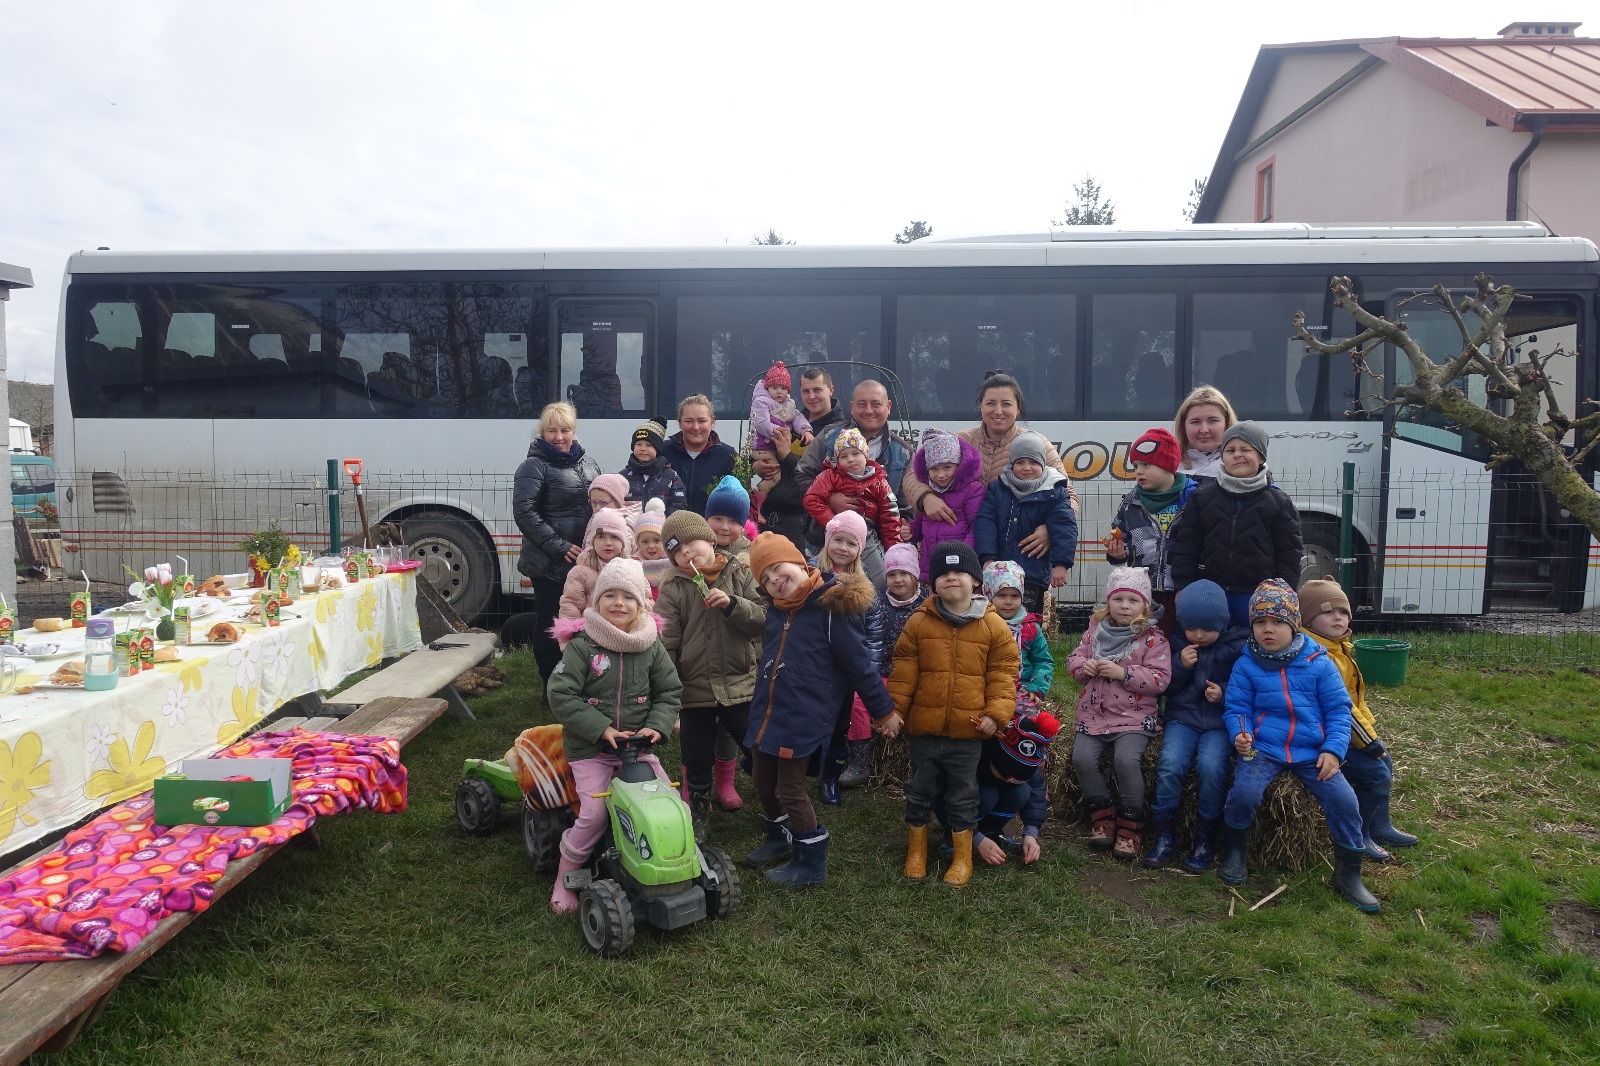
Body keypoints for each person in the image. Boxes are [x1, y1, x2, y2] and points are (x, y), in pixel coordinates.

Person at [1219, 579, 1380, 913]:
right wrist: (1241, 733)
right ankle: (1235, 851)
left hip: (1312, 751)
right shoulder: (1246, 664)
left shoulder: (1319, 662)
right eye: (1260, 622)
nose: (1268, 629)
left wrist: (1333, 750)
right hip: (1265, 748)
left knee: (1345, 800)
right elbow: (1237, 708)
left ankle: (1348, 873)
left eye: (1277, 622)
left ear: (1294, 624)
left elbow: (1339, 711)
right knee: (1244, 793)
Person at [744, 533, 895, 888]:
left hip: (803, 718)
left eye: (778, 568)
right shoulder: (776, 612)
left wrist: (883, 711)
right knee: (762, 781)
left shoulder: (831, 611)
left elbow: (859, 666)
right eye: (765, 578)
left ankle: (810, 860)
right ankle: (778, 836)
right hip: (767, 713)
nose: (775, 580)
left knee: (790, 789)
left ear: (800, 562)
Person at [546, 558, 682, 914]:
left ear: (641, 604)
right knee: (594, 814)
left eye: (628, 597)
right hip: (591, 749)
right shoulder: (583, 645)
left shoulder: (650, 645)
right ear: (597, 600)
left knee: (670, 804)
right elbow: (560, 693)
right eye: (610, 595)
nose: (618, 603)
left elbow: (669, 691)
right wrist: (600, 728)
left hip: (637, 749)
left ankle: (676, 862)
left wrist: (657, 725)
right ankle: (567, 873)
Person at [883, 541, 1020, 888]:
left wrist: (996, 714)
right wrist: (893, 711)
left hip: (967, 732)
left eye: (959, 571)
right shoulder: (919, 622)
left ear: (975, 581)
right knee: (919, 790)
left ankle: (962, 857)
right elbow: (903, 672)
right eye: (943, 573)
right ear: (932, 583)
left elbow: (1003, 674)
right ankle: (916, 850)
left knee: (963, 794)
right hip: (925, 730)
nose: (951, 577)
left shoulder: (993, 626)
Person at [656, 509, 766, 843]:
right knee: (696, 755)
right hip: (695, 688)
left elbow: (764, 618)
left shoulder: (739, 571)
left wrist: (733, 605)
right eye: (678, 551)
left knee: (757, 746)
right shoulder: (674, 587)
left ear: (709, 540)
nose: (687, 553)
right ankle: (699, 814)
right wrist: (671, 689)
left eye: (691, 543)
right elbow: (667, 641)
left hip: (740, 682)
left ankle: (776, 805)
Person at [900, 372, 1081, 571]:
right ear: (981, 406)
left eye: (1006, 404)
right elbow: (912, 475)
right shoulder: (960, 441)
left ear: (1018, 407)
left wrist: (1049, 529)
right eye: (990, 403)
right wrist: (926, 498)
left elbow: (1069, 496)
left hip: (1019, 562)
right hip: (961, 561)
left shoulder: (1036, 444)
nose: (998, 411)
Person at [1299, 576, 1418, 862]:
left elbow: (1356, 701)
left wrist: (1370, 732)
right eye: (1328, 612)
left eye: (1343, 611)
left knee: (1385, 762)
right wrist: (1368, 742)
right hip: (1325, 738)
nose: (1338, 617)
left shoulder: (1340, 648)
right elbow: (1341, 709)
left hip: (1344, 732)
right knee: (1375, 773)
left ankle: (1381, 825)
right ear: (1307, 619)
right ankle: (1360, 834)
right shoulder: (1318, 656)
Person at [1065, 567, 1172, 860]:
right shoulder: (1094, 632)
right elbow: (1074, 659)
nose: (1125, 606)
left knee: (1126, 761)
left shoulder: (1153, 639)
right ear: (1108, 602)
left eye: (1133, 600)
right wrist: (1083, 667)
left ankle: (1130, 824)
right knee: (1081, 759)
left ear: (1144, 606)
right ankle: (1102, 814)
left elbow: (1160, 679)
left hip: (1134, 719)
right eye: (1118, 599)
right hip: (1094, 716)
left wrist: (1124, 673)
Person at [1141, 579, 1246, 872]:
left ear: (1222, 623)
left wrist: (1223, 694)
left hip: (1219, 723)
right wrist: (1181, 665)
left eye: (1207, 629)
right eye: (1192, 628)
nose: (1198, 635)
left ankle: (1204, 840)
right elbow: (1165, 688)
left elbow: (1247, 688)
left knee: (1211, 768)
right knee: (1169, 765)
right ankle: (1164, 836)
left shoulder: (1238, 646)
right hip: (1182, 718)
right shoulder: (1175, 644)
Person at [1169, 421, 1303, 628]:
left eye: (1246, 449)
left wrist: (1285, 590)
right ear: (1222, 457)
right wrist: (1183, 585)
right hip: (1210, 593)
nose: (1237, 455)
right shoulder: (1202, 498)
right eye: (1230, 450)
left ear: (1261, 457)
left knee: (1252, 641)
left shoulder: (1278, 502)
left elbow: (1289, 552)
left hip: (1257, 594)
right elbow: (1186, 545)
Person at [513, 401, 602, 680]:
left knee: (583, 620)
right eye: (552, 431)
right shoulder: (533, 466)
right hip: (549, 563)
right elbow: (524, 512)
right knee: (551, 622)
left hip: (583, 559)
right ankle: (550, 685)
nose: (559, 437)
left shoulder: (589, 464)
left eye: (565, 430)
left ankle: (578, 681)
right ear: (542, 433)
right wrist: (558, 546)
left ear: (574, 431)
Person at [794, 380, 914, 583]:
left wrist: (901, 535)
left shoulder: (903, 452)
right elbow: (801, 475)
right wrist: (830, 500)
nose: (869, 410)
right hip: (824, 540)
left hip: (875, 545)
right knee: (822, 591)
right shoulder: (829, 436)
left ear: (888, 407)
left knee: (878, 591)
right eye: (861, 404)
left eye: (876, 404)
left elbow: (905, 507)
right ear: (851, 407)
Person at [814, 511, 885, 805]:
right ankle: (804, 769)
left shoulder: (865, 587)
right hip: (815, 667)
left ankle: (830, 776)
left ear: (860, 549)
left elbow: (874, 632)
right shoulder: (810, 576)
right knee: (811, 722)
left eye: (851, 543)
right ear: (827, 540)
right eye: (838, 540)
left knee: (839, 727)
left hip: (845, 673)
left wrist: (868, 669)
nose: (843, 548)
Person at [936, 710, 1060, 869]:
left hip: (982, 804)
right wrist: (975, 838)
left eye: (1016, 780)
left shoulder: (1027, 763)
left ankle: (991, 832)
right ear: (996, 758)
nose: (1008, 782)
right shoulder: (974, 757)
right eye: (1004, 775)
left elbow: (1037, 793)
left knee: (1021, 792)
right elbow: (947, 800)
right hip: (959, 812)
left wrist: (1031, 833)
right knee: (989, 795)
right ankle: (955, 837)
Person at [975, 432, 1078, 615]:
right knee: (995, 620)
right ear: (1011, 464)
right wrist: (988, 558)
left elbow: (1065, 528)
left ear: (1043, 464)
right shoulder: (998, 488)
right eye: (1020, 462)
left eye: (1033, 462)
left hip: (1032, 574)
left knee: (1028, 622)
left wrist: (1061, 565)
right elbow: (985, 524)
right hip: (998, 572)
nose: (1026, 468)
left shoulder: (1055, 492)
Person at [1104, 427, 1197, 631]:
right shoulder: (1131, 503)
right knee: (1144, 637)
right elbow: (1122, 539)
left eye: (1146, 464)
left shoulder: (1193, 499)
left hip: (1182, 589)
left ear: (1168, 466)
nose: (1139, 471)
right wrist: (1118, 554)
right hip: (1142, 591)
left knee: (1177, 636)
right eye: (1136, 465)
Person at [803, 428, 900, 575]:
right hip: (831, 534)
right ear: (838, 460)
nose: (850, 459)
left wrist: (894, 550)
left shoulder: (879, 481)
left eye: (856, 453)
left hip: (866, 535)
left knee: (881, 578)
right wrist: (833, 523)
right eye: (844, 456)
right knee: (824, 575)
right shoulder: (829, 475)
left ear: (866, 455)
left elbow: (890, 517)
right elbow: (811, 499)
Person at [908, 428, 985, 585]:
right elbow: (921, 523)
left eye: (947, 467)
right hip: (932, 569)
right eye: (934, 469)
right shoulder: (928, 492)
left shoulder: (972, 490)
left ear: (959, 465)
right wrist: (911, 530)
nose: (941, 475)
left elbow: (977, 528)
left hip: (959, 569)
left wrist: (964, 557)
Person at [982, 561, 1053, 709]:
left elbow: (1043, 660)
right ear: (989, 596)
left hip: (1022, 687)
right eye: (1001, 595)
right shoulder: (982, 625)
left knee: (1027, 717)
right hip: (987, 686)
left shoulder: (1030, 628)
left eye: (1015, 596)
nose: (1008, 602)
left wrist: (1036, 687)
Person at [555, 509, 633, 632]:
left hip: (625, 632)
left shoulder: (633, 569)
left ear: (623, 542)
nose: (608, 543)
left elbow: (644, 600)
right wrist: (571, 634)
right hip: (591, 633)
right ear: (593, 541)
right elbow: (571, 604)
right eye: (601, 537)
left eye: (614, 537)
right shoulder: (580, 572)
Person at [661, 394, 739, 515]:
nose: (696, 427)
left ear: (712, 422)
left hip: (710, 526)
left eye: (702, 421)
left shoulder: (728, 456)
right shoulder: (662, 452)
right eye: (689, 421)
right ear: (679, 423)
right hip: (666, 525)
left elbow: (742, 500)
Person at [749, 427, 806, 552]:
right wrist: (755, 464)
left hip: (797, 525)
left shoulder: (829, 432)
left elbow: (818, 475)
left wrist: (788, 456)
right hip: (765, 519)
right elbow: (760, 448)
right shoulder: (790, 422)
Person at [621, 416, 688, 513]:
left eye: (649, 445)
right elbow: (614, 504)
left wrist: (662, 519)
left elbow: (678, 505)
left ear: (658, 449)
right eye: (638, 444)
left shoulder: (671, 476)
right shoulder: (623, 477)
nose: (643, 449)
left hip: (662, 522)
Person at [1173, 385, 1238, 481]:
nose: (1204, 430)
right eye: (1196, 422)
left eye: (1213, 421)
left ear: (1227, 422)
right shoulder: (1168, 467)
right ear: (1183, 426)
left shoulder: (1241, 463)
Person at [749, 361, 813, 453]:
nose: (779, 391)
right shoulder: (760, 402)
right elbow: (761, 423)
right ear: (767, 388)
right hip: (763, 448)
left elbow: (798, 418)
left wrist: (806, 431)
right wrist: (782, 432)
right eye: (774, 388)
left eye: (783, 388)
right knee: (773, 463)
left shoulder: (789, 404)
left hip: (782, 447)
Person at [706, 474, 754, 567]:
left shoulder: (751, 556)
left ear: (742, 527)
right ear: (707, 519)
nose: (724, 527)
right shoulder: (695, 551)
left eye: (733, 521)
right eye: (718, 519)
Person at [630, 501, 670, 598]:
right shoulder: (632, 566)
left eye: (657, 540)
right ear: (638, 544)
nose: (651, 546)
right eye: (645, 542)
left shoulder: (673, 563)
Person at [800, 364, 845, 438]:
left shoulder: (841, 433)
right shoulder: (792, 421)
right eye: (806, 391)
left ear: (831, 390)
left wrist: (786, 446)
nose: (811, 397)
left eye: (817, 390)